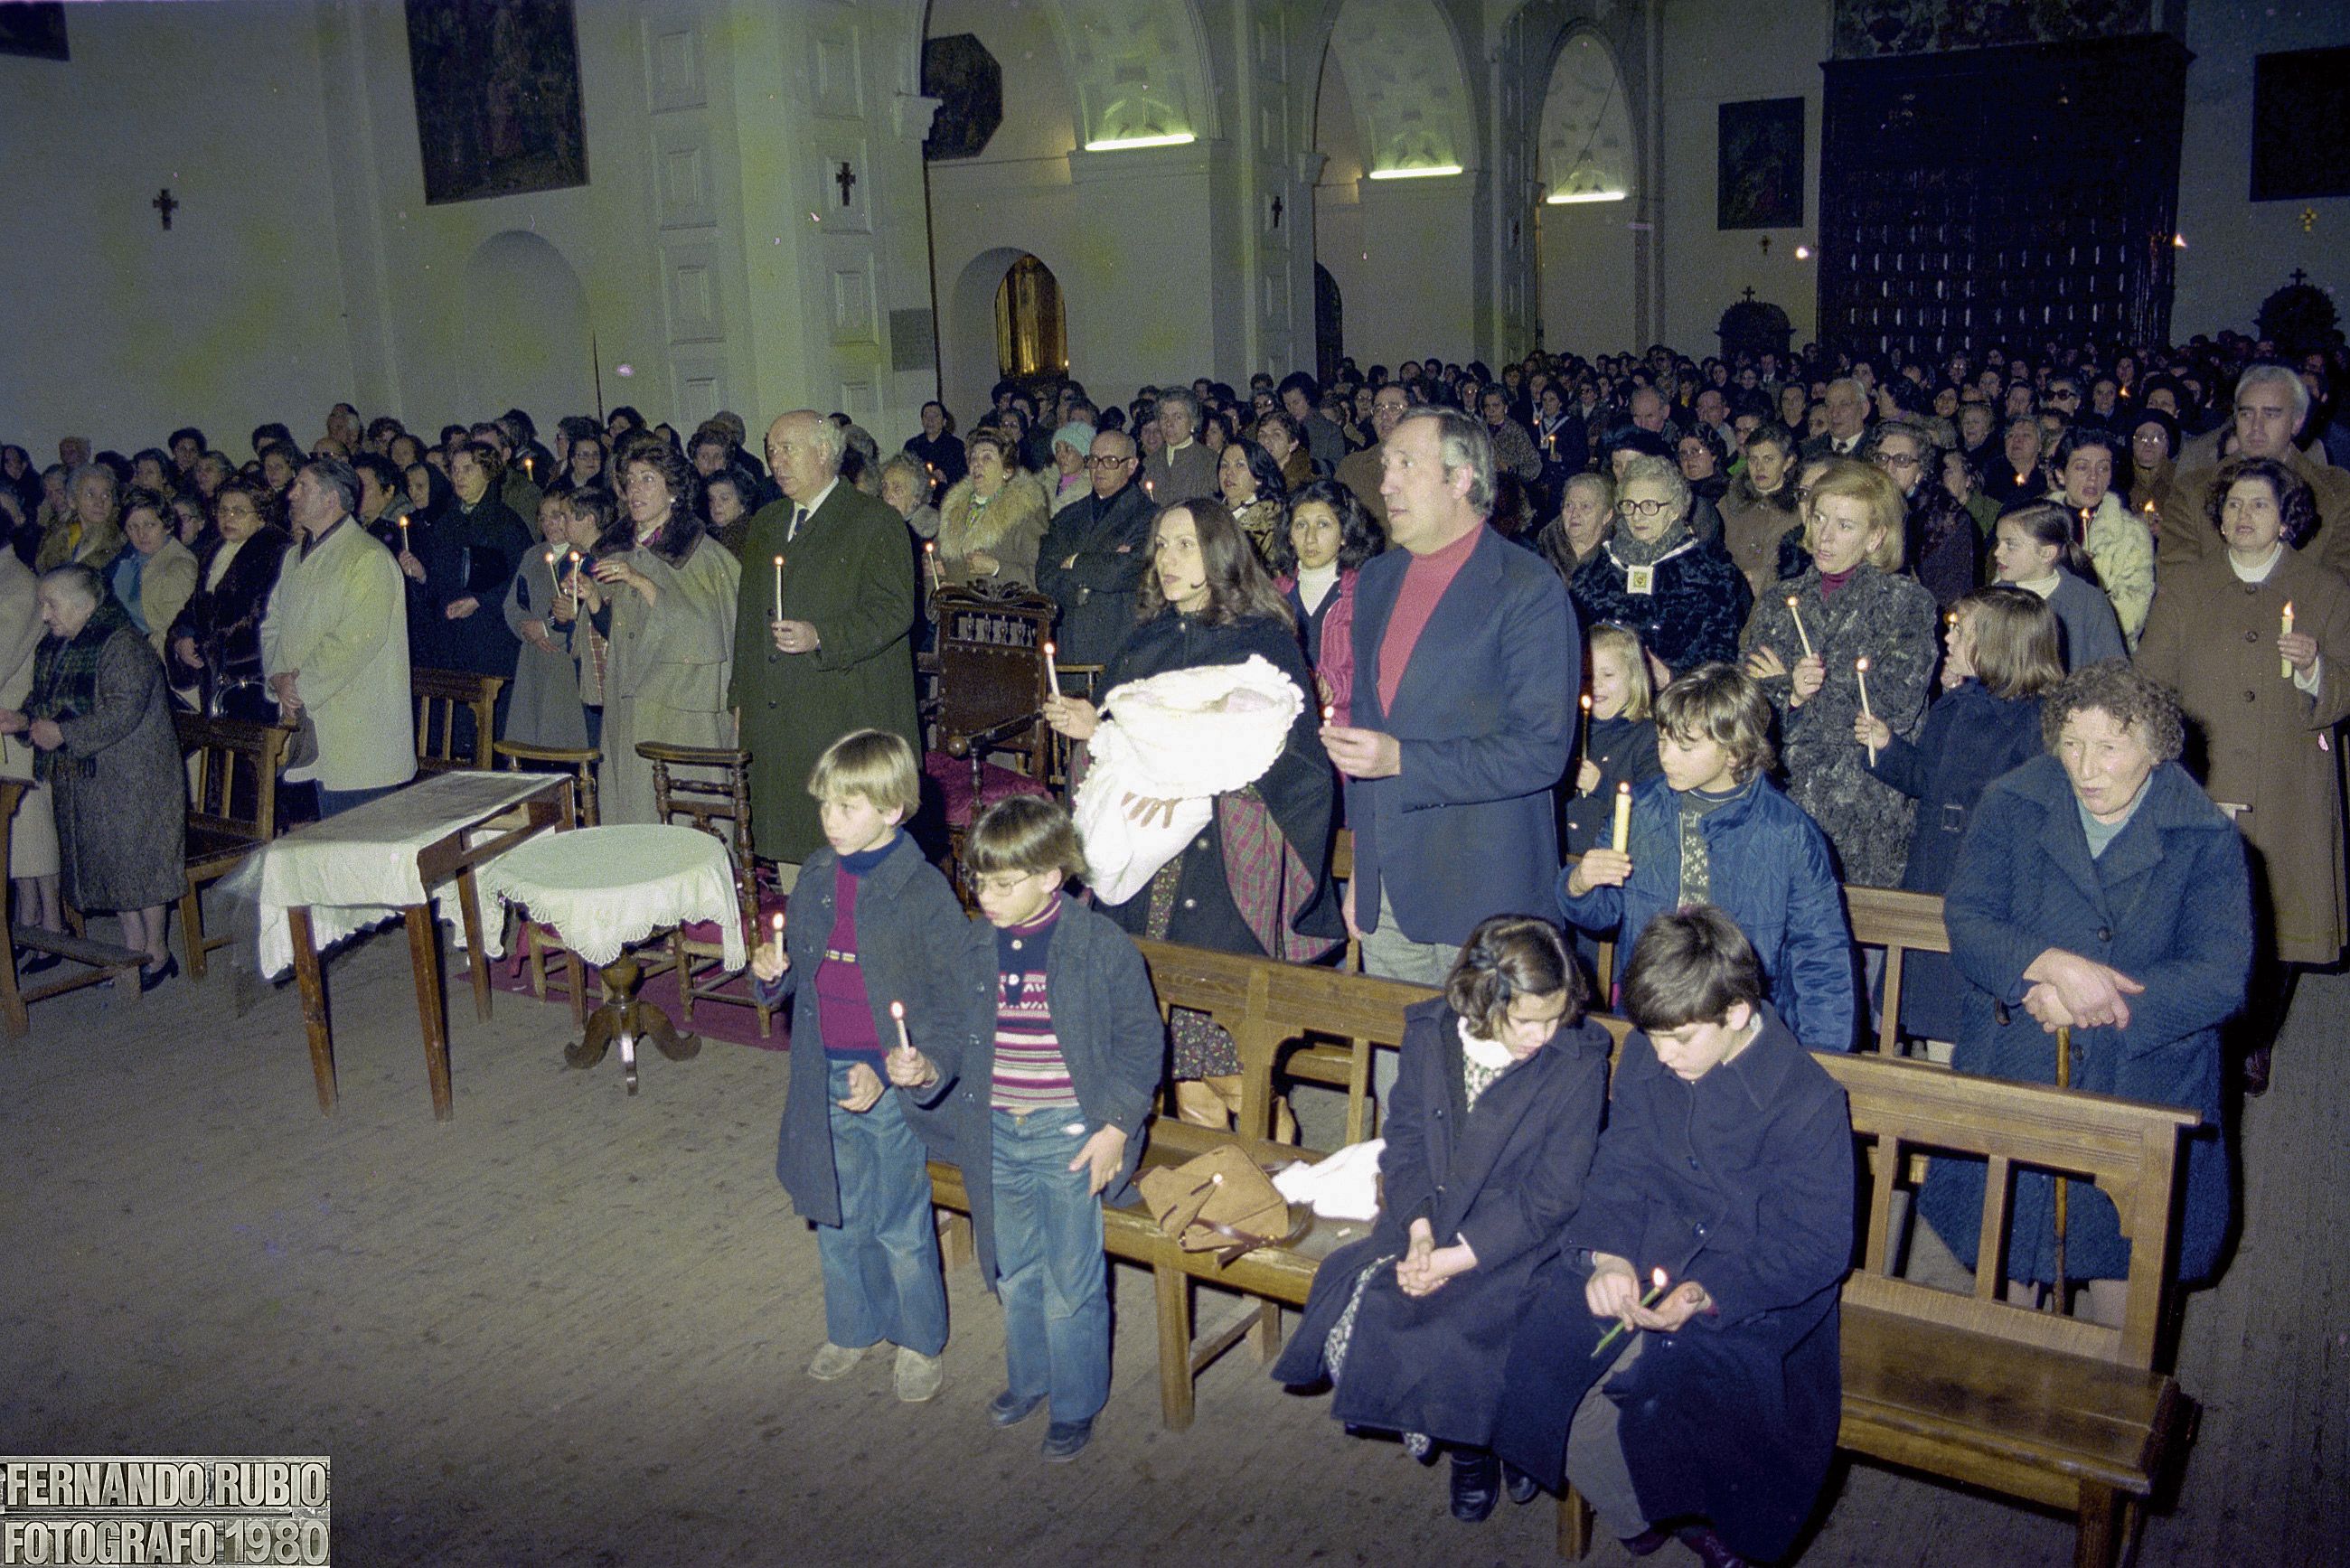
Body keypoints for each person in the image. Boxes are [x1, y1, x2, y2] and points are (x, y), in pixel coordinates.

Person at [1491, 907, 1853, 1568]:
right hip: (1647, 1245)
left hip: (1750, 1287)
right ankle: (1648, 1510)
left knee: (1674, 1383)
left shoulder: (1807, 1099)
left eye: (1681, 1038)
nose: (1662, 1055)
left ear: (1738, 1012)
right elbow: (1621, 1164)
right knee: (1526, 1346)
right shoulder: (1648, 1052)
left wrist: (1705, 1291)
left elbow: (1816, 1245)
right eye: (1653, 1035)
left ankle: (1708, 1524)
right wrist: (1607, 1254)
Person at [1917, 662, 2248, 1320]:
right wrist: (2049, 964)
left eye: (2108, 746)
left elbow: (2220, 976)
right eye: (2072, 743)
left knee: (2123, 1301)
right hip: (2020, 1062)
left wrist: (2089, 999)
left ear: (2154, 747)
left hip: (2141, 1082)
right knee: (2002, 1283)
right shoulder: (2015, 800)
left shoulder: (2205, 837)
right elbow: (1969, 916)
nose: (2086, 767)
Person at [1272, 916, 1610, 1523]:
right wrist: (1421, 1231)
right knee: (1390, 1303)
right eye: (1527, 1020)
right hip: (1430, 1214)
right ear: (1486, 997)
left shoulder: (1575, 1061)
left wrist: (1455, 1255)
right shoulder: (1431, 1032)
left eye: (1555, 1016)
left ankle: (1495, 1438)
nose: (1544, 1033)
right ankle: (1467, 1448)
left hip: (1524, 1233)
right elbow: (1401, 1143)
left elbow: (1553, 1196)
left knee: (1477, 1320)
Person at [1041, 499, 1340, 1130]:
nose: (1167, 559)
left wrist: (1196, 785)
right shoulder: (1142, 641)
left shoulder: (1260, 643)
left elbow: (1296, 768)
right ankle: (1211, 1207)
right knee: (1184, 1079)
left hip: (1221, 880)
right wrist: (1092, 728)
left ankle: (1272, 1199)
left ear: (1219, 552)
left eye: (1184, 545)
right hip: (1147, 884)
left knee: (1239, 1080)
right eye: (1161, 544)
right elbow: (1119, 748)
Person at [896, 794, 1163, 1462]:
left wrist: (1114, 1129)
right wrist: (927, 1063)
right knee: (1014, 1268)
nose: (985, 894)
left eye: (1002, 882)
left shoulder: (1099, 945)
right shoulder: (978, 945)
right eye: (979, 878)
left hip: (1072, 1134)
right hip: (996, 1131)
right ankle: (1032, 1376)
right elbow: (958, 1035)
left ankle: (1075, 1402)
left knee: (1071, 1281)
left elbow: (1141, 1044)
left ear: (1051, 875)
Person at [748, 730, 964, 1404]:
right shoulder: (817, 872)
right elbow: (795, 977)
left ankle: (919, 1339)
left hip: (890, 1084)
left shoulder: (922, 891)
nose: (831, 821)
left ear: (893, 809)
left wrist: (890, 1064)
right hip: (823, 1073)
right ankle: (852, 1326)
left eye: (848, 807)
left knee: (900, 1221)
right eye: (826, 806)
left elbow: (952, 1001)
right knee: (835, 1212)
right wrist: (770, 973)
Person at [1330, 407, 1575, 1000]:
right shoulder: (1380, 579)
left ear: (1462, 478)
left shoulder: (1526, 587)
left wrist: (1403, 760)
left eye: (1405, 466)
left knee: (1489, 1080)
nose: (1384, 483)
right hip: (1390, 888)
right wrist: (1364, 870)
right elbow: (1371, 728)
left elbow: (1540, 752)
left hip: (1484, 886)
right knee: (1402, 1078)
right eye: (1385, 466)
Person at [2134, 456, 2350, 1094]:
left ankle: (2257, 1035)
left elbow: (2345, 686)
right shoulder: (2185, 585)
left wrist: (2314, 671)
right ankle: (2202, 1030)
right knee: (2197, 916)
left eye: (2258, 504)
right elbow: (2150, 677)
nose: (2242, 516)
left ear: (2287, 519)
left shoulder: (2327, 590)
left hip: (2288, 782)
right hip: (2206, 775)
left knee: (2281, 915)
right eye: (2232, 504)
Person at [1559, 662, 1854, 1047]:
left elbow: (1821, 957)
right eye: (1663, 740)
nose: (1666, 757)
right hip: (1651, 1014)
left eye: (1685, 746)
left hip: (1742, 1029)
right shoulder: (1642, 810)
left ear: (1733, 751)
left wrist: (1823, 1057)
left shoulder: (1788, 833)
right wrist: (1580, 885)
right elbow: (1604, 914)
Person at [1857, 587, 2063, 1049]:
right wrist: (1887, 748)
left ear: (2000, 645)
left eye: (1961, 631)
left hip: (1984, 892)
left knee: (1966, 1031)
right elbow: (1929, 780)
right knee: (1928, 1027)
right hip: (1931, 877)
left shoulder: (2040, 725)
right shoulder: (1954, 707)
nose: (1948, 639)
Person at [731, 410, 921, 872]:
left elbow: (894, 611)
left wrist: (822, 636)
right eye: (771, 449)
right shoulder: (766, 522)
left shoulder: (874, 522)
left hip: (842, 712)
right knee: (791, 844)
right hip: (778, 720)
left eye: (788, 448)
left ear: (824, 453)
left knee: (847, 851)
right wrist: (740, 700)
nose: (776, 460)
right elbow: (747, 623)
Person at [1739, 458, 1937, 889]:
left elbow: (1888, 713)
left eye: (1845, 526)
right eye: (1820, 518)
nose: (1825, 536)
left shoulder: (1907, 606)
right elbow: (1746, 705)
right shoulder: (1780, 600)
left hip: (1861, 817)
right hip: (1780, 808)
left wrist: (1804, 693)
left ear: (1876, 536)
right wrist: (1789, 693)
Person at [0, 564, 189, 989]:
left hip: (135, 774)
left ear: (85, 602)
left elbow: (122, 712)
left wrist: (63, 733)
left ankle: (157, 953)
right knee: (110, 864)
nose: (44, 614)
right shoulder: (57, 647)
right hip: (90, 774)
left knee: (139, 865)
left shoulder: (122, 644)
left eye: (51, 603)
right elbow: (43, 702)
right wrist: (23, 719)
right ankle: (131, 950)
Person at [587, 446, 740, 824]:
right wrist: (592, 602)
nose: (634, 490)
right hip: (630, 698)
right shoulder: (619, 550)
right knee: (633, 807)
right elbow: (619, 634)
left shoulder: (701, 554)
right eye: (630, 480)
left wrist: (640, 581)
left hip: (679, 703)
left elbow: (706, 633)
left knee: (678, 812)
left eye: (647, 479)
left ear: (672, 490)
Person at [261, 457, 414, 816]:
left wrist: (296, 687)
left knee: (361, 852)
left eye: (302, 486)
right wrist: (278, 678)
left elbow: (354, 642)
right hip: (312, 723)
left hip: (360, 735)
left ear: (331, 499)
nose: (291, 494)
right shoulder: (295, 558)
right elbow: (273, 623)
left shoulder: (368, 558)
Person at [1570, 454, 1753, 680]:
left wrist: (1672, 677)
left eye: (1649, 505)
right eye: (1629, 505)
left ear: (1675, 510)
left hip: (1678, 704)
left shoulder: (1709, 574)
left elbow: (1720, 659)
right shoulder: (1596, 569)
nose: (1637, 516)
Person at [2161, 362, 2350, 575]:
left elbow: (2341, 585)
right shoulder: (2192, 491)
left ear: (2297, 422)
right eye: (2246, 414)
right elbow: (2177, 580)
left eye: (2271, 414)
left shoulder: (2337, 492)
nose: (2256, 427)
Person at [419, 442, 530, 745]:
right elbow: (439, 579)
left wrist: (480, 601)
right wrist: (422, 574)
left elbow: (522, 580)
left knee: (491, 732)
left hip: (491, 639)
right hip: (454, 641)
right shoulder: (445, 523)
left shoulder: (507, 523)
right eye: (454, 470)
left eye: (468, 469)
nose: (459, 476)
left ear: (488, 472)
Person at [169, 478, 290, 720]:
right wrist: (182, 636)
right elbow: (194, 607)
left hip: (252, 678)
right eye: (223, 510)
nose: (228, 517)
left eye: (239, 511)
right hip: (215, 675)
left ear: (262, 516)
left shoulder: (277, 551)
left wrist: (206, 644)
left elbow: (260, 615)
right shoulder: (214, 550)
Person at [1035, 429, 1153, 670]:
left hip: (1118, 643)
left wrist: (1075, 562)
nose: (1098, 468)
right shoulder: (1068, 516)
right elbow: (1045, 574)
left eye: (1110, 461)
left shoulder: (1149, 515)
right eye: (1093, 460)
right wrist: (1083, 589)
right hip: (1069, 640)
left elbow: (1125, 571)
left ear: (1131, 466)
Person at [1268, 479, 1380, 723]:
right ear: (1289, 536)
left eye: (1323, 524)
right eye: (1300, 525)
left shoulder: (1364, 594)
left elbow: (1376, 676)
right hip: (1285, 725)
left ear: (1344, 535)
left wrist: (1330, 686)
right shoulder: (1272, 596)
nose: (1310, 538)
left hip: (1343, 729)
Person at [0, 548, 61, 960]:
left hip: (20, 722)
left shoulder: (17, 586)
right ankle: (29, 921)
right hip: (8, 723)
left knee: (31, 827)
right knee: (18, 836)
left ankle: (51, 925)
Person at [2044, 427, 2154, 646]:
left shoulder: (2130, 534)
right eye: (2082, 467)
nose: (2093, 478)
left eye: (2103, 468)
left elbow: (2132, 613)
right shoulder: (2035, 524)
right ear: (2060, 474)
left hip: (2097, 651)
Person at [500, 498, 595, 753]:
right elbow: (511, 604)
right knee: (530, 739)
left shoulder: (582, 556)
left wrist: (549, 630)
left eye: (556, 516)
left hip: (563, 655)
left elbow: (583, 609)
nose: (549, 524)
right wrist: (525, 627)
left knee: (562, 737)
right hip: (533, 656)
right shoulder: (533, 555)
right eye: (542, 517)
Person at [1561, 623, 1661, 856]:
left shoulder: (1647, 737)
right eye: (1588, 674)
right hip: (1563, 863)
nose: (1596, 683)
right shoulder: (1569, 731)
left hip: (1610, 866)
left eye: (1607, 674)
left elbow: (1654, 808)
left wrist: (1601, 785)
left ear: (1634, 677)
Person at [1990, 502, 2127, 671]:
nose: (1997, 552)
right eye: (1999, 542)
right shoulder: (1994, 600)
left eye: (2010, 544)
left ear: (2046, 553)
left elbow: (2114, 672)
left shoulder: (2088, 602)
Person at [1867, 422, 1978, 608]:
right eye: (1881, 458)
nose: (1888, 468)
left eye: (1902, 460)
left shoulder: (1944, 518)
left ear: (1921, 471)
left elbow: (1949, 598)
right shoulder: (1859, 506)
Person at [935, 430, 1050, 591]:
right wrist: (941, 587)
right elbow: (933, 568)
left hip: (1001, 615)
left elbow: (1040, 578)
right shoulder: (952, 509)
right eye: (973, 458)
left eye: (987, 458)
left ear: (1007, 471)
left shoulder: (1026, 512)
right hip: (956, 613)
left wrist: (997, 568)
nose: (977, 464)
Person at [110, 487, 199, 661]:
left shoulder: (179, 567)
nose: (141, 534)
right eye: (133, 527)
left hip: (153, 659)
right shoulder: (128, 558)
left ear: (166, 526)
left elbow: (175, 633)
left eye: (150, 525)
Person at [1719, 422, 1800, 597]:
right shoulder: (1727, 504)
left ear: (1788, 462)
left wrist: (1761, 578)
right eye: (1753, 459)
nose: (1759, 468)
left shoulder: (1800, 509)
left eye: (1768, 459)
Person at [1337, 383, 1409, 527]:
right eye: (1378, 409)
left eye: (1394, 408)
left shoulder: (1432, 464)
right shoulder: (1352, 467)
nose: (1384, 416)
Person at [36, 465, 127, 575]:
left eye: (105, 495)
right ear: (72, 501)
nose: (99, 503)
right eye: (90, 494)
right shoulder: (58, 538)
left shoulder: (120, 544)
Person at [1140, 389, 1218, 508]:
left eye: (1177, 417)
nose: (1169, 424)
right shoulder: (1149, 463)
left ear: (1193, 422)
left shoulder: (1211, 461)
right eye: (1164, 417)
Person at [1534, 472, 1614, 583]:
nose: (1574, 514)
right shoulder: (1543, 550)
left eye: (1585, 506)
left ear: (1607, 516)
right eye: (1569, 505)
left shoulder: (1618, 558)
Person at [1217, 438, 1287, 562]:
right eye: (1224, 465)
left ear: (1258, 477)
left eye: (1239, 465)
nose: (1228, 472)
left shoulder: (1271, 522)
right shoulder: (1210, 515)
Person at [903, 400, 966, 499]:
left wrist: (946, 477)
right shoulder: (912, 445)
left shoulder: (956, 446)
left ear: (944, 421)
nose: (930, 420)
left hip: (948, 497)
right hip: (919, 499)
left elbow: (964, 475)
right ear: (922, 421)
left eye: (935, 416)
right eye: (926, 416)